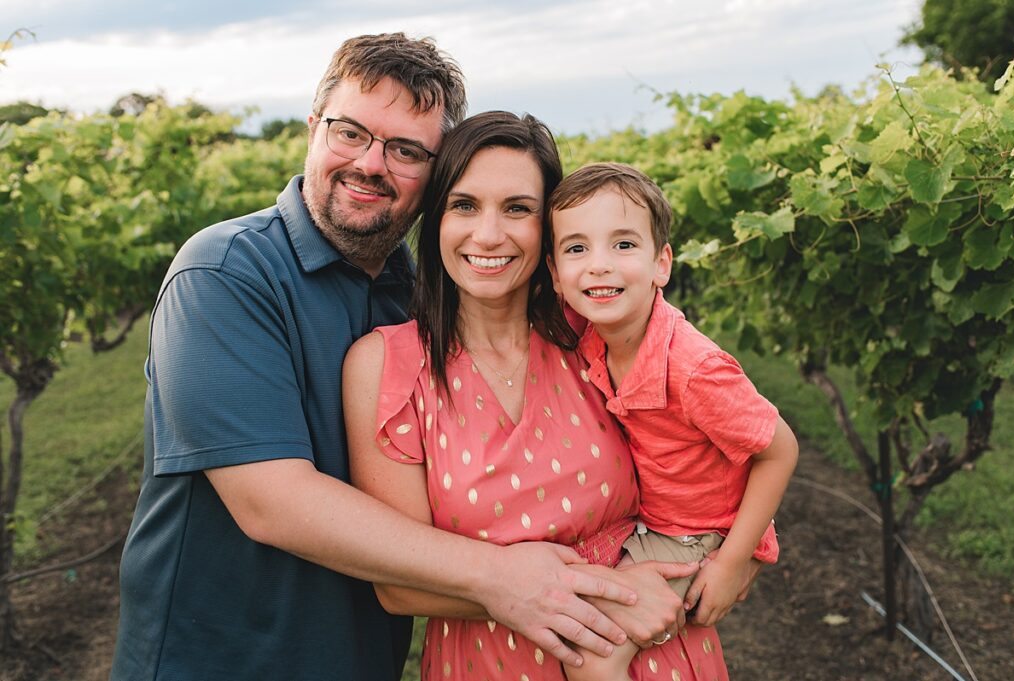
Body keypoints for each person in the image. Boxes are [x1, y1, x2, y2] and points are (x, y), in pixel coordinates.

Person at [109, 35, 643, 681]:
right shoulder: (225, 272)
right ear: (313, 128)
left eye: (405, 150)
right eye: (350, 132)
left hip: (359, 658)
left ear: (433, 174)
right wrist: (501, 575)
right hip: (220, 659)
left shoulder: (414, 300)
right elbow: (271, 500)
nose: (370, 163)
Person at [344, 112, 748, 681]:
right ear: (435, 220)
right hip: (496, 659)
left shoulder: (594, 329)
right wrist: (609, 592)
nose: (488, 235)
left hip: (650, 650)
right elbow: (398, 584)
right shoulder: (390, 366)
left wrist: (736, 555)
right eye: (464, 205)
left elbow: (718, 441)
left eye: (517, 209)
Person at [546, 161, 800, 679]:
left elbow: (780, 449)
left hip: (696, 534)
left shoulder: (693, 370)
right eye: (576, 248)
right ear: (553, 274)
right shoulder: (595, 338)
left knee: (595, 652)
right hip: (656, 520)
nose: (598, 265)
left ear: (662, 263)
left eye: (623, 245)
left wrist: (732, 561)